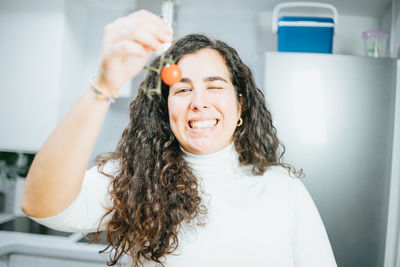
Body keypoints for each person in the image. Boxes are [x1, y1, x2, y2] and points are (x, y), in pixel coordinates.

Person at [21, 9, 337, 267]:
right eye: (183, 89)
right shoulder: (133, 181)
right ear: (165, 109)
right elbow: (42, 206)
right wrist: (105, 85)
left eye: (214, 87)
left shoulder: (284, 189)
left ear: (240, 105)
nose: (199, 102)